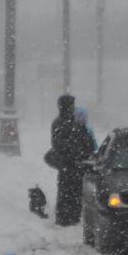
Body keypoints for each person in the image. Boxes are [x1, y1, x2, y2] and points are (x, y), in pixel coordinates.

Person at [48, 94, 97, 226]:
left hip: (72, 164)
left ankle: (70, 216)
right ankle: (66, 217)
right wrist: (76, 149)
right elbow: (60, 144)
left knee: (71, 191)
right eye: (71, 105)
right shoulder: (62, 123)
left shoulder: (69, 122)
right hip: (69, 164)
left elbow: (88, 142)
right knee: (69, 191)